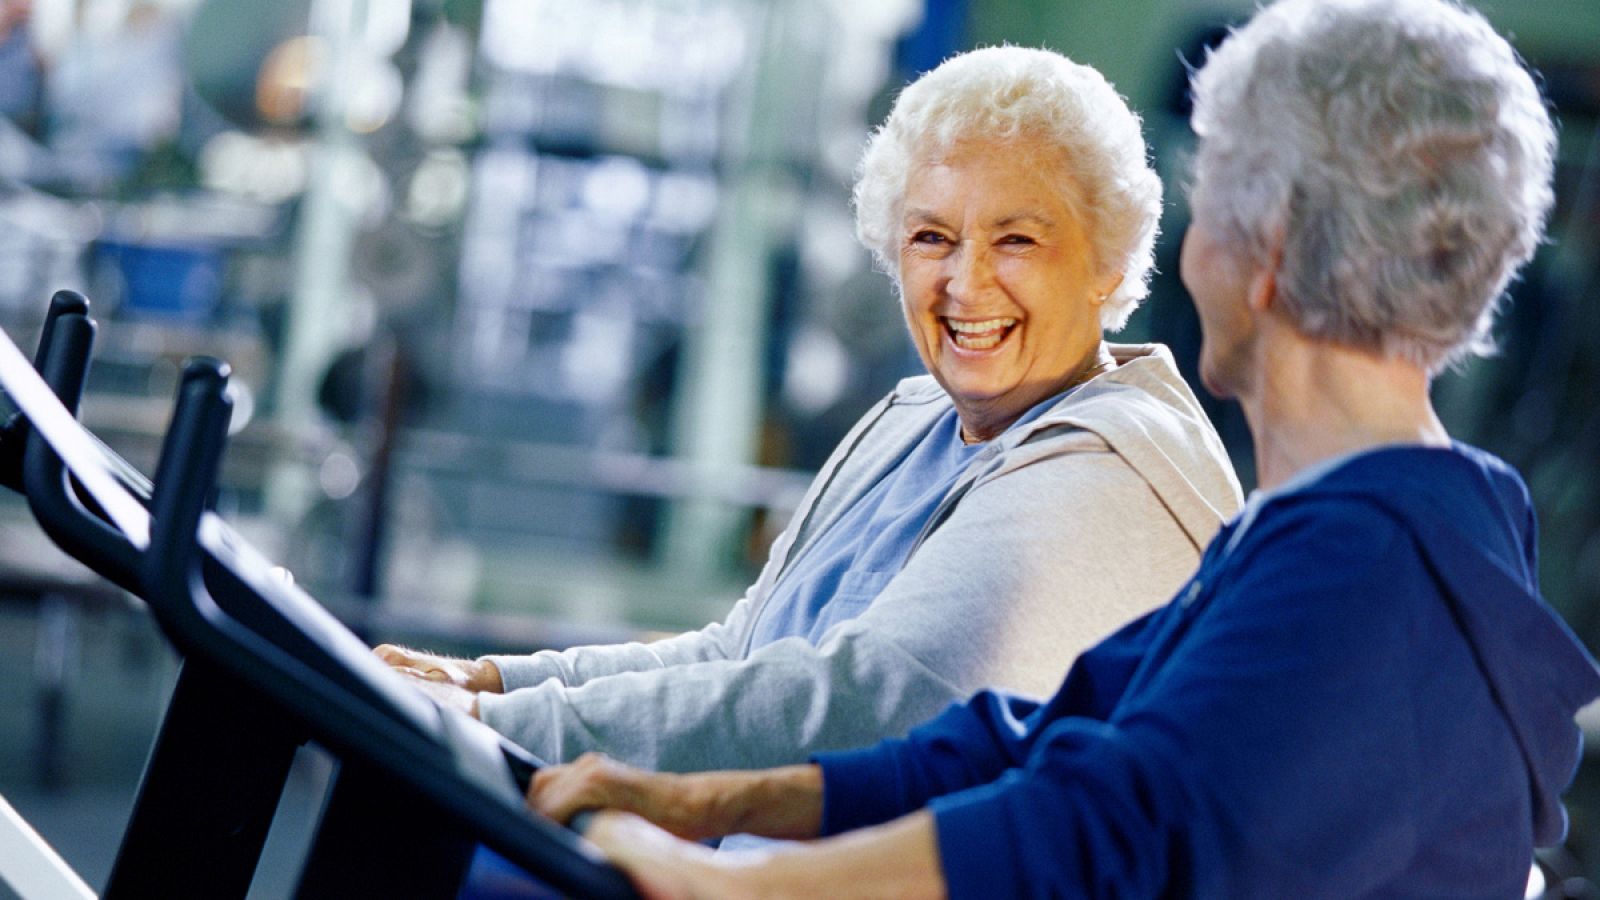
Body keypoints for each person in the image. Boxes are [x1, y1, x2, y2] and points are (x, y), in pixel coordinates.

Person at [521, 1, 1600, 896]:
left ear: (1261, 251)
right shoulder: (1430, 516)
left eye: (1208, 182)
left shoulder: (1357, 563)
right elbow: (1041, 737)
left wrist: (726, 883)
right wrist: (713, 798)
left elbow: (1103, 822)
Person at [377, 46, 1241, 777]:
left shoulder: (1114, 473)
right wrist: (489, 683)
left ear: (1108, 260)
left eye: (1017, 239)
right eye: (931, 237)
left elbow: (852, 707)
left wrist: (492, 729)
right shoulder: (913, 421)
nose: (966, 283)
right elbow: (738, 655)